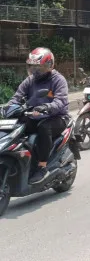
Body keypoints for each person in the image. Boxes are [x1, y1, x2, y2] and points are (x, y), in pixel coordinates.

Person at [6, 47, 69, 184]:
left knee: (44, 128)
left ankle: (42, 167)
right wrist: (8, 108)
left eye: (39, 67)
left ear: (49, 65)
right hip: (34, 115)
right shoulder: (30, 80)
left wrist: (47, 107)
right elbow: (16, 97)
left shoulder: (58, 80)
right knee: (14, 126)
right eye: (33, 67)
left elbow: (61, 101)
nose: (35, 71)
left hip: (56, 118)